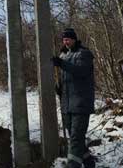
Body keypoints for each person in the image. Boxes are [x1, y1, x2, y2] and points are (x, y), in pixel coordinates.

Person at [52, 28, 96, 168]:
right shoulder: (64, 55)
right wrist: (59, 88)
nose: (66, 42)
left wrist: (61, 63)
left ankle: (73, 165)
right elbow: (66, 79)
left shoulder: (84, 54)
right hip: (67, 104)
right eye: (64, 39)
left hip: (81, 103)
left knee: (76, 138)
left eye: (68, 39)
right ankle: (89, 162)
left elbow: (81, 71)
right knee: (75, 137)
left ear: (74, 39)